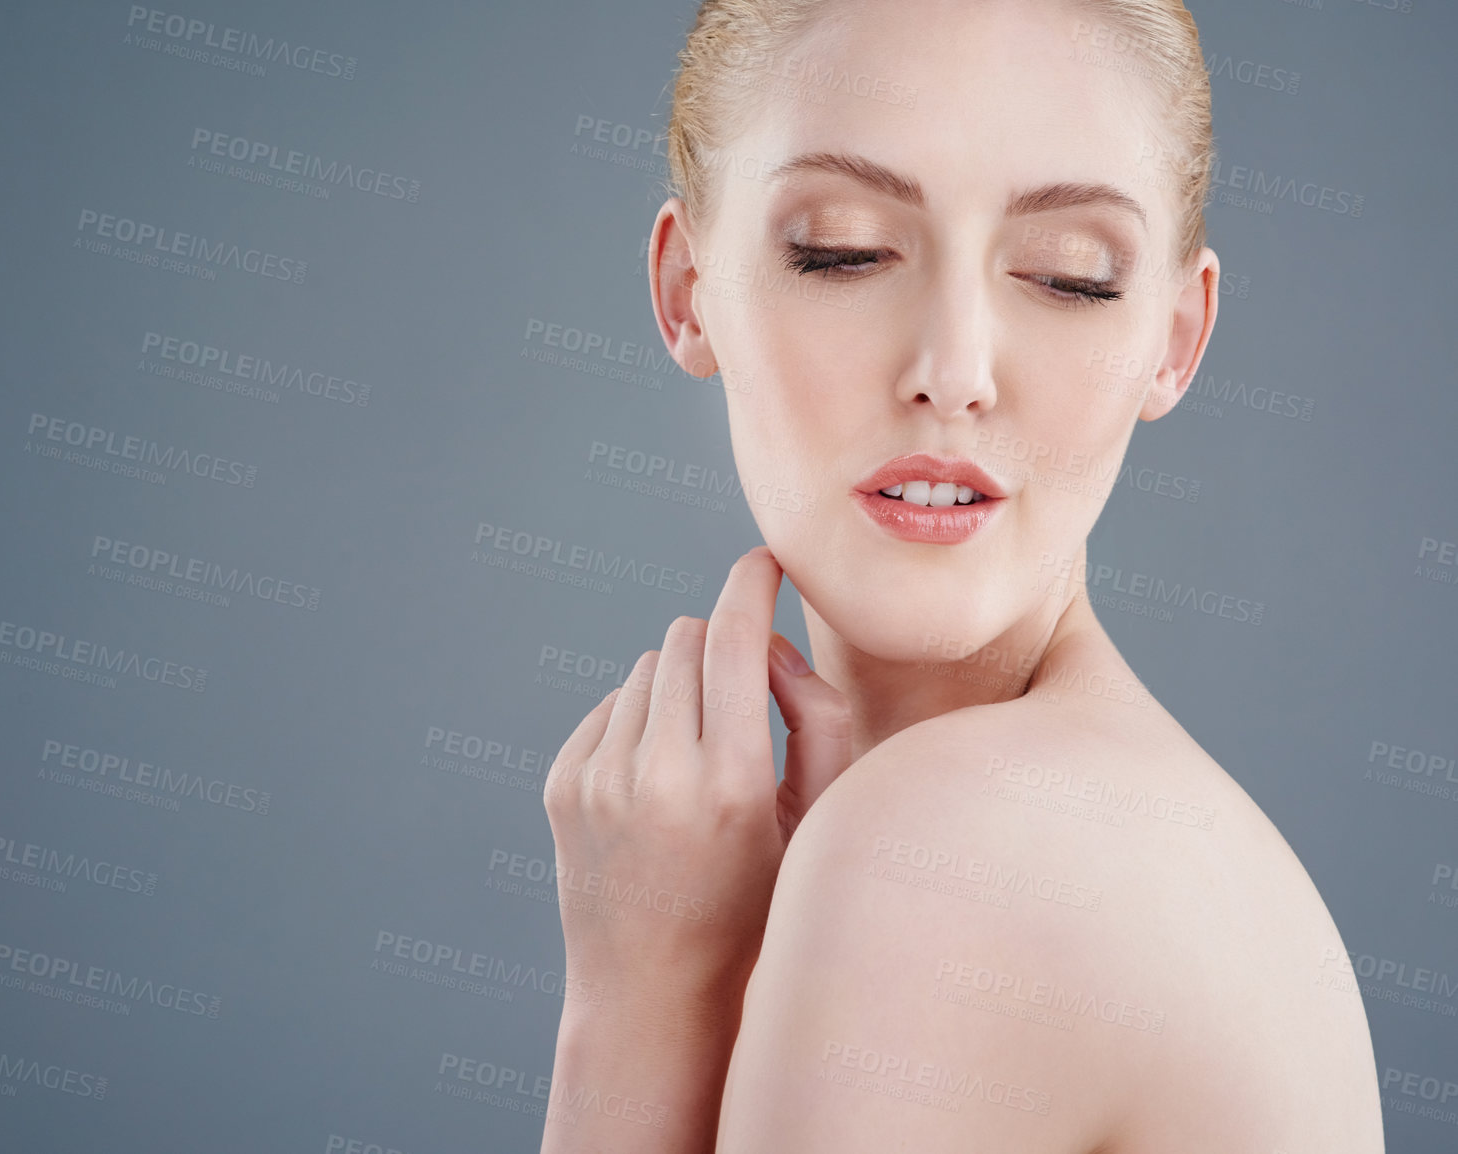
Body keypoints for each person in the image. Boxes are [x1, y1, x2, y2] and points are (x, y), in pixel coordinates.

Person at [538, 0, 1385, 1150]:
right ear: (690, 288)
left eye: (1067, 274)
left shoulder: (948, 857)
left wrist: (638, 1001)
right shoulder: (1156, 831)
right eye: (842, 249)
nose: (953, 370)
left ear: (1176, 338)